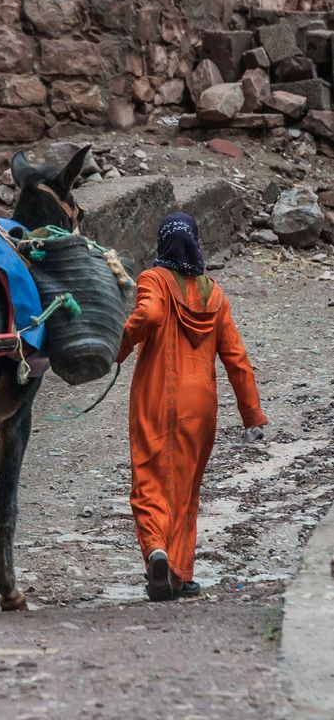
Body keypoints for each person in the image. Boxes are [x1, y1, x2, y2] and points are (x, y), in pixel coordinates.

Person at [117, 212, 268, 602]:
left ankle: (156, 551)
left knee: (150, 479)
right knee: (185, 489)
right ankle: (180, 575)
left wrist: (119, 345)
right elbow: (236, 357)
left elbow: (148, 314)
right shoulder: (213, 293)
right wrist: (251, 414)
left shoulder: (154, 280)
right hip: (201, 407)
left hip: (156, 397)